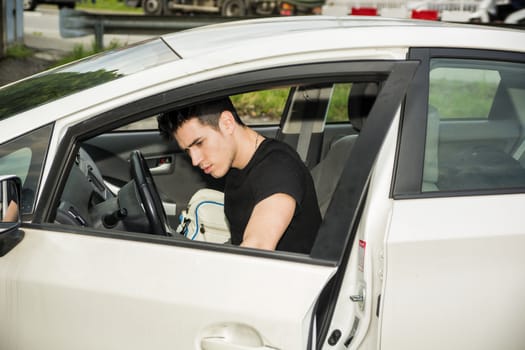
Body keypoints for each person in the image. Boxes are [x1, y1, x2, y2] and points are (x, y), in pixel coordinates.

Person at [158, 98, 321, 254]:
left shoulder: (279, 168)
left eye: (199, 143)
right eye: (188, 150)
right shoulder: (237, 166)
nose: (195, 160)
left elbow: (258, 247)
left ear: (227, 123)